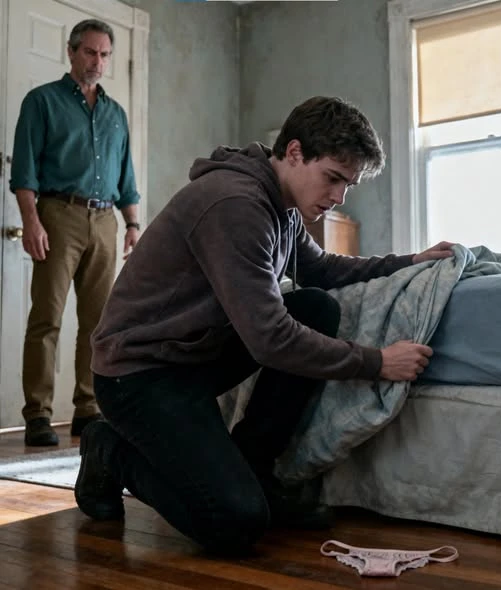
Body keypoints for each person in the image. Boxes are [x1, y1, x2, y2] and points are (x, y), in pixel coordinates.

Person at [74, 96, 453, 555]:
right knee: (235, 522)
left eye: (348, 185)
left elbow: (321, 270)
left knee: (315, 308)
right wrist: (376, 363)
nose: (339, 197)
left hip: (191, 358)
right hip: (139, 374)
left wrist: (408, 261)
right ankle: (111, 451)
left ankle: (255, 468)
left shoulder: (283, 205)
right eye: (333, 178)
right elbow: (271, 338)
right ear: (294, 152)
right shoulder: (235, 204)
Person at [9, 19, 141, 447]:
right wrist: (31, 221)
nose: (97, 62)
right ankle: (38, 414)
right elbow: (24, 170)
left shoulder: (116, 114)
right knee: (46, 318)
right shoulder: (42, 102)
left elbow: (126, 177)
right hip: (57, 215)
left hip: (105, 221)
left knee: (99, 324)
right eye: (90, 52)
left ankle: (88, 408)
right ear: (71, 52)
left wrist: (133, 224)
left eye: (104, 55)